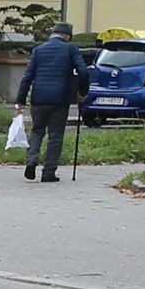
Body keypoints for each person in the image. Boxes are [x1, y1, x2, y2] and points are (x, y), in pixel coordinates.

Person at [16, 21, 90, 181]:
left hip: (38, 98)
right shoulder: (71, 49)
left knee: (37, 131)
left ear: (53, 35)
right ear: (67, 37)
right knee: (55, 136)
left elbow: (27, 77)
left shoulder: (38, 50)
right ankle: (48, 172)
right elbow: (83, 71)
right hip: (60, 99)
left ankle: (32, 160)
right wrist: (83, 92)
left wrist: (20, 100)